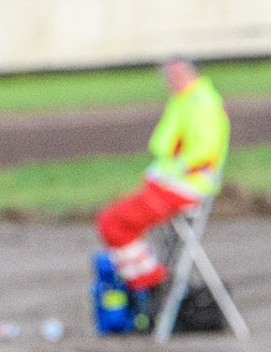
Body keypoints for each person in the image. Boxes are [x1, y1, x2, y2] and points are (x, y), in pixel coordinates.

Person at [95, 58, 230, 310]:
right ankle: (149, 283)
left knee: (111, 222)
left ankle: (153, 283)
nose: (170, 81)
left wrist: (172, 174)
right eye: (167, 76)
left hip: (183, 189)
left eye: (175, 75)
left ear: (189, 74)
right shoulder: (185, 100)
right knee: (112, 222)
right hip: (170, 186)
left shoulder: (201, 104)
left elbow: (203, 153)